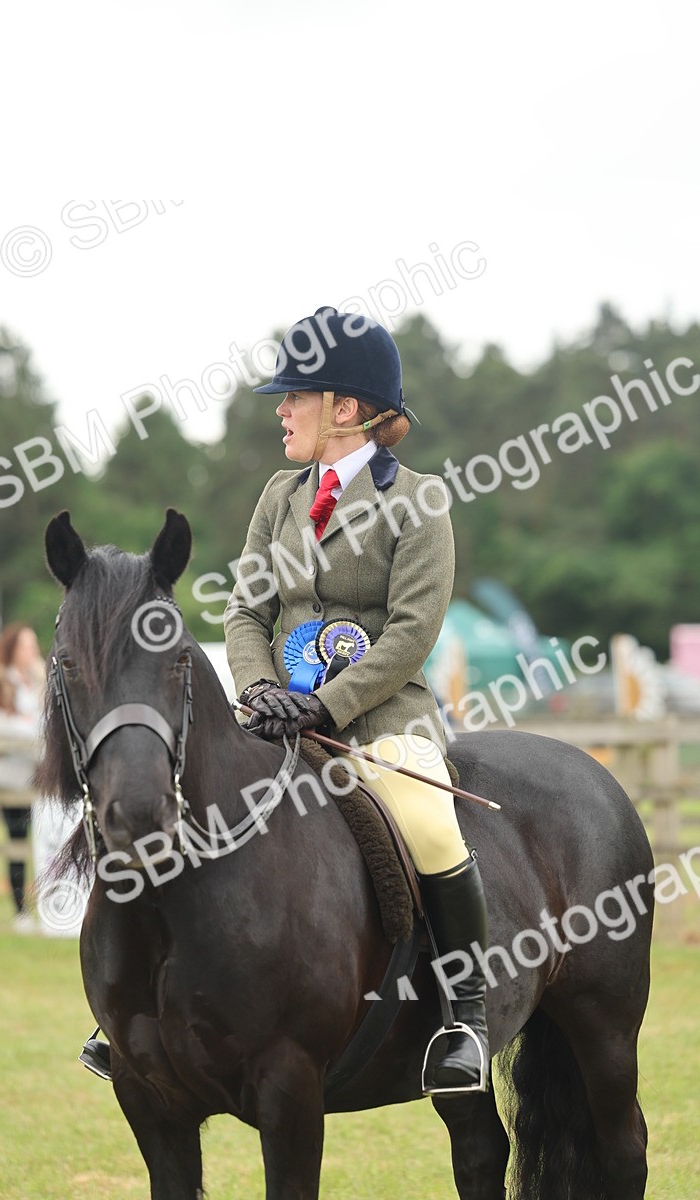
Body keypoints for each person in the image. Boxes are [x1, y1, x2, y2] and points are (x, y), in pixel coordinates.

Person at [223, 306, 490, 1096]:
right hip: (272, 719)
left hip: (376, 720)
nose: (280, 410)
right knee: (180, 805)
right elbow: (246, 612)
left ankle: (466, 1017)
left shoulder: (420, 501)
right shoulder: (280, 495)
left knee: (429, 822)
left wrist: (327, 707)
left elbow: (411, 634)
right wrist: (261, 690)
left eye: (294, 396)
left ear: (346, 408)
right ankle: (140, 1006)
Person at [0, 623, 45, 932]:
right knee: (17, 842)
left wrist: (30, 723)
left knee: (46, 840)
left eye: (33, 645)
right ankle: (20, 909)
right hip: (11, 774)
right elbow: (0, 724)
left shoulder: (40, 678)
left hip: (42, 771)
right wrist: (32, 726)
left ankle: (50, 905)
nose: (31, 652)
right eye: (25, 646)